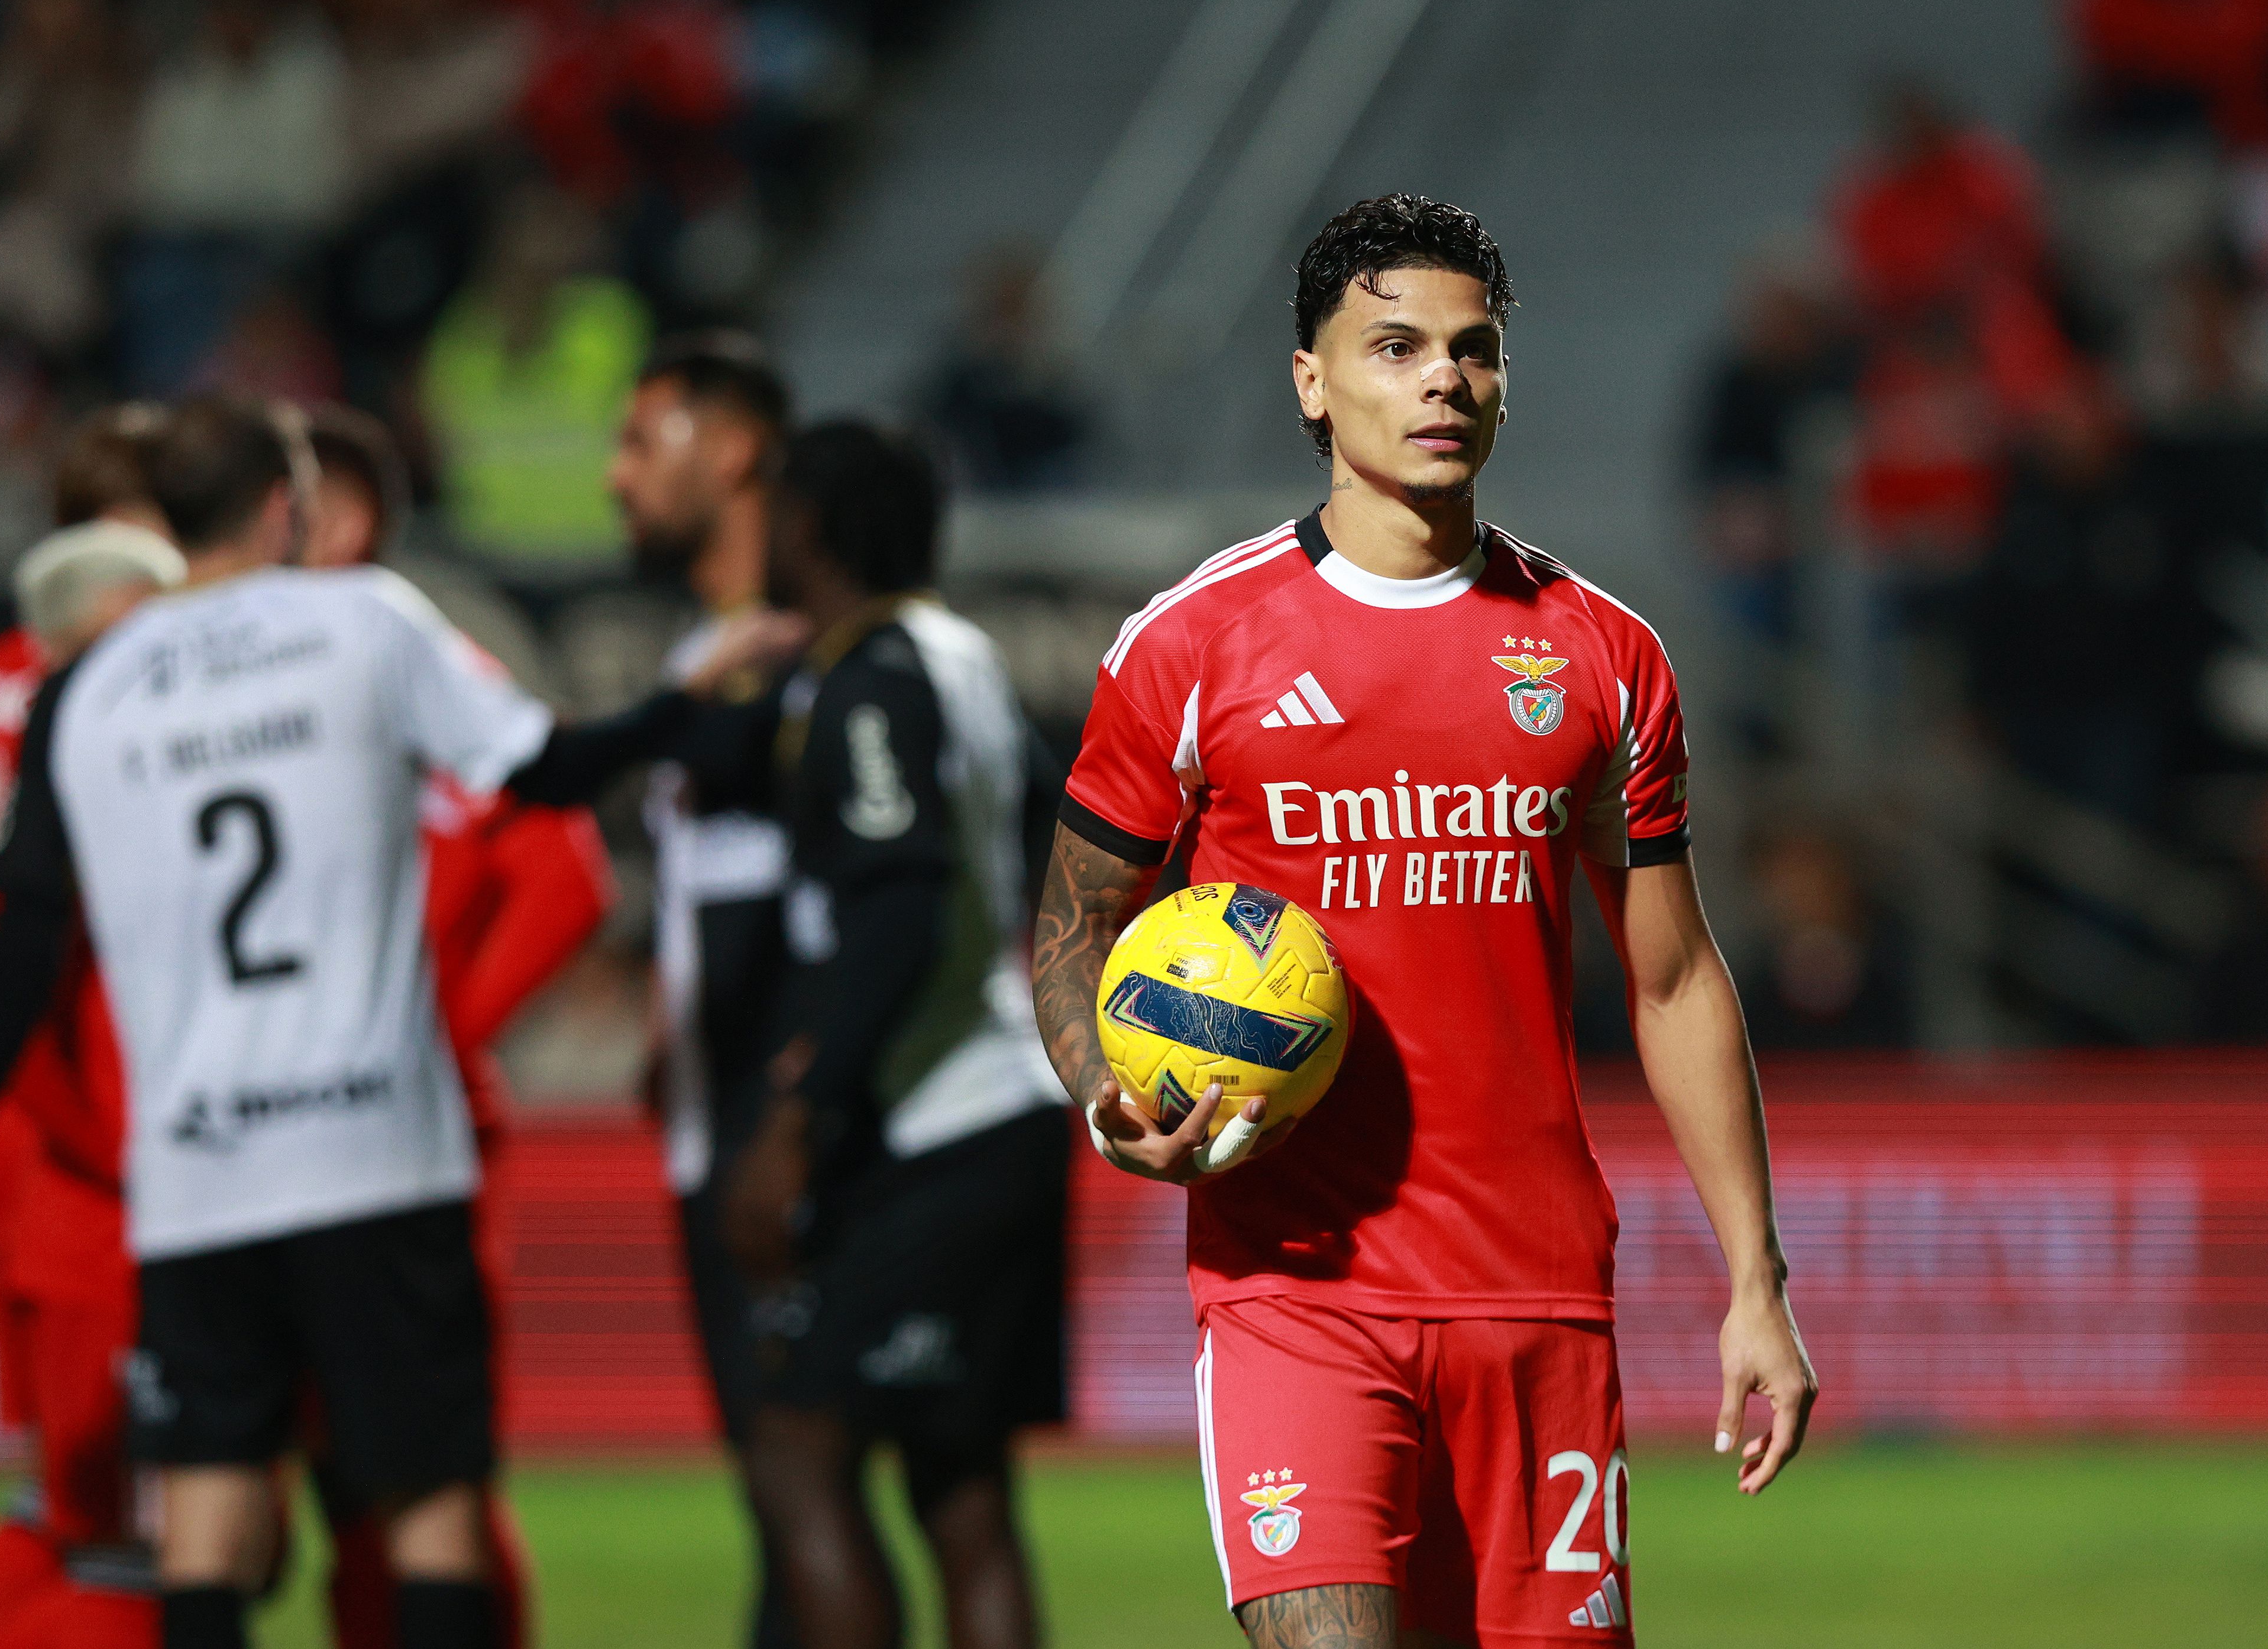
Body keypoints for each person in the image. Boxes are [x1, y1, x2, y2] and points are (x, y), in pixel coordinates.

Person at [1030, 195, 1816, 1648]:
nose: (1443, 379)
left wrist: (1756, 1285)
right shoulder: (1191, 648)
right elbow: (1075, 929)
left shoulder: (1602, 655)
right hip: (1297, 1290)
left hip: (1540, 1300)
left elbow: (1679, 981)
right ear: (1311, 380)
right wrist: (1105, 1095)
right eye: (1394, 347)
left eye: (1473, 350)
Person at [0, 393, 781, 1649]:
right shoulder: (362, 622)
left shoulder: (86, 689)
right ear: (282, 508)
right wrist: (686, 704)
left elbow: (18, 938)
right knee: (424, 1511)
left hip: (195, 1169)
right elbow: (548, 779)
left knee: (201, 1517)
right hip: (375, 1149)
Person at [687, 420, 1069, 1649]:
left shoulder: (870, 686)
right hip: (1006, 1102)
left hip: (936, 1122)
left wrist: (795, 1119)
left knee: (799, 1450)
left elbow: (898, 914)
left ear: (806, 527)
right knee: (960, 1485)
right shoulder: (963, 659)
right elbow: (1051, 840)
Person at [296, 400, 617, 1649]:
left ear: (348, 517)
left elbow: (566, 867)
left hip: (403, 1129)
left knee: (416, 1470)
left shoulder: (408, 658)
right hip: (290, 1126)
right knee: (337, 1473)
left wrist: (435, 1029)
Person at [0, 411, 178, 1649]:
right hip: (104, 1159)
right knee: (151, 1522)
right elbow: (13, 946)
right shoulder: (119, 698)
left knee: (93, 1498)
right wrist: (108, 1138)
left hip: (33, 1146)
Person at [607, 331, 800, 1649]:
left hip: (774, 1129)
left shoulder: (800, 659)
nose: (617, 478)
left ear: (728, 449)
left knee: (807, 1503)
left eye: (639, 442)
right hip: (710, 1117)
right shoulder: (713, 652)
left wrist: (778, 1106)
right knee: (785, 1501)